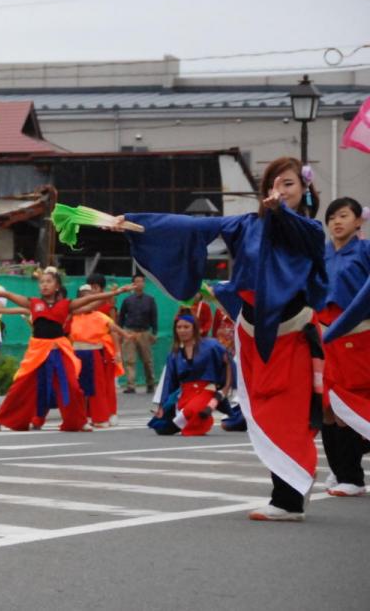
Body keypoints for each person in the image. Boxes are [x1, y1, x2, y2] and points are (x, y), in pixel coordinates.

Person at [112, 156, 326, 522]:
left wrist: (283, 215)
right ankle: (289, 488)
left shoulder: (309, 230)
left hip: (291, 334)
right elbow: (191, 227)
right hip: (252, 331)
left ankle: (289, 497)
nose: (281, 190)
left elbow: (303, 239)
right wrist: (136, 225)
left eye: (289, 183)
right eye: (274, 184)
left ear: (304, 190)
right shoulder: (245, 225)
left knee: (286, 411)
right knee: (260, 410)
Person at [0, 273, 131, 432]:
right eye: (42, 282)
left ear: (57, 286)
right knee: (19, 387)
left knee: (73, 386)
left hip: (60, 351)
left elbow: (90, 300)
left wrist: (116, 292)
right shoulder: (33, 302)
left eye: (49, 281)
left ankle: (78, 421)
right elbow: (7, 294)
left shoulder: (67, 304)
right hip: (38, 351)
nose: (44, 285)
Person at [316, 196, 370, 497]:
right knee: (327, 407)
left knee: (348, 404)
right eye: (332, 217)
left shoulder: (365, 250)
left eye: (344, 215)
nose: (337, 222)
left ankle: (352, 476)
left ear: (358, 221)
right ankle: (340, 470)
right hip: (324, 340)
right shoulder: (320, 255)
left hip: (358, 337)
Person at [151, 313, 230, 436]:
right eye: (179, 327)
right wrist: (162, 405)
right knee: (161, 427)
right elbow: (169, 380)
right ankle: (186, 418)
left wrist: (223, 390)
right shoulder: (174, 353)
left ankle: (199, 419)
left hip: (206, 390)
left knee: (192, 412)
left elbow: (228, 363)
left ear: (195, 328)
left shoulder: (212, 346)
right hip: (185, 393)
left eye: (186, 327)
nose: (182, 330)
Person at [68, 283, 125, 428]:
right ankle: (83, 416)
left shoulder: (100, 316)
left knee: (100, 386)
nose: (87, 300)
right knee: (79, 387)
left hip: (97, 353)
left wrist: (117, 352)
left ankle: (103, 415)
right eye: (83, 297)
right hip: (76, 354)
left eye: (90, 297)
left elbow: (114, 331)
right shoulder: (72, 316)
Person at [117, 274, 158, 394]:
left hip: (144, 332)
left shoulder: (150, 300)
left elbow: (154, 317)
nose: (139, 283)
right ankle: (131, 385)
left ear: (144, 284)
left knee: (147, 360)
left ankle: (150, 383)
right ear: (133, 284)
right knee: (129, 360)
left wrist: (154, 332)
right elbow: (122, 317)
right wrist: (121, 332)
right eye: (136, 281)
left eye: (141, 281)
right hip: (130, 331)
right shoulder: (127, 300)